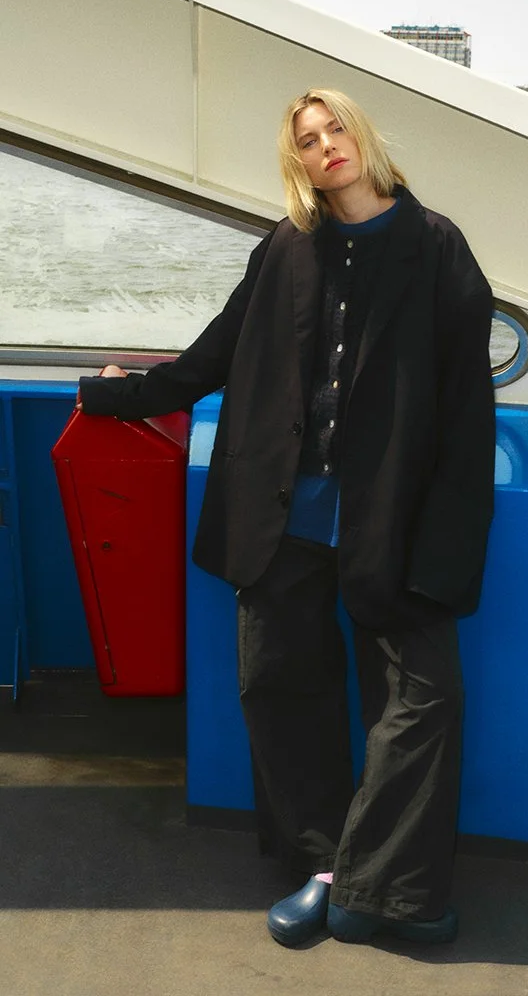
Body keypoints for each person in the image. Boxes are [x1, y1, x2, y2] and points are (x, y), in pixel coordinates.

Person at [78, 88, 496, 947]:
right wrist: (121, 397)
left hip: (396, 525)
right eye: (308, 139)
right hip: (282, 520)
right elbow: (219, 351)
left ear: (364, 138)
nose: (326, 145)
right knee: (279, 688)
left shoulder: (436, 247)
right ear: (297, 161)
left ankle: (381, 894)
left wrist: (449, 542)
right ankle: (328, 869)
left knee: (425, 699)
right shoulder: (286, 248)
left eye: (336, 127)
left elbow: (465, 410)